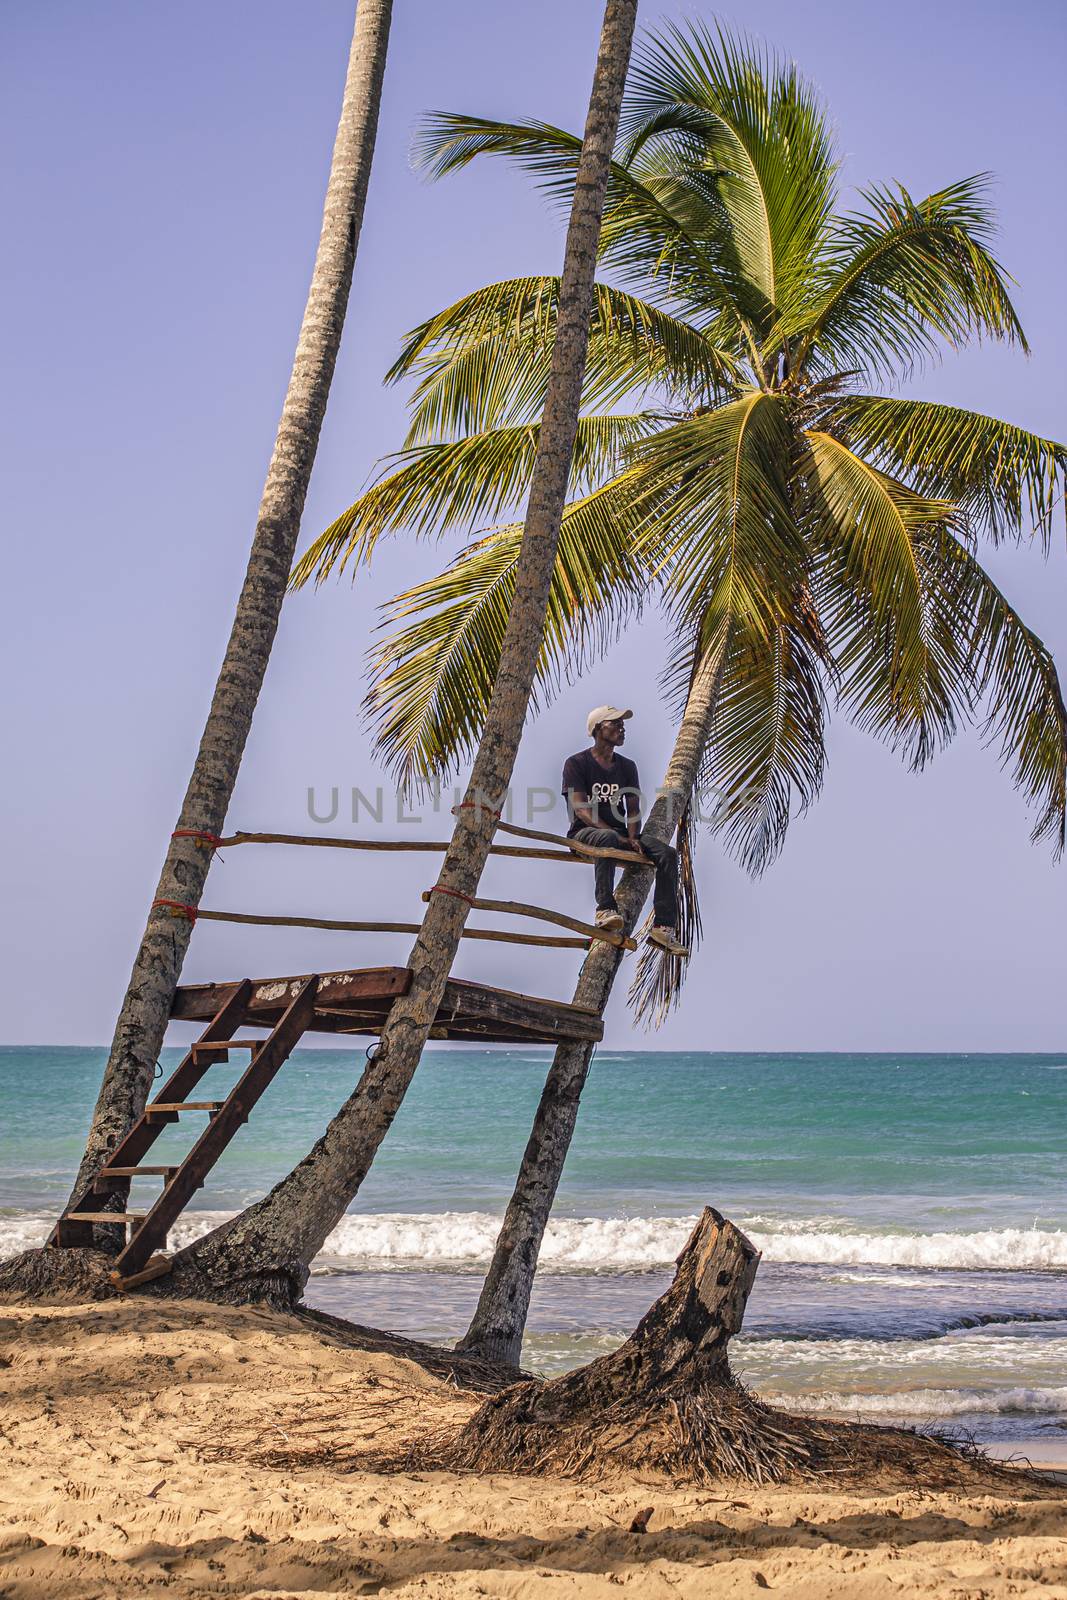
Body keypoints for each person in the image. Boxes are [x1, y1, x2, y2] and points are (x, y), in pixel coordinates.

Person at [561, 705, 688, 956]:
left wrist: (631, 837)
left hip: (621, 835)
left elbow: (632, 808)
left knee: (667, 854)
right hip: (585, 834)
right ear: (598, 729)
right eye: (615, 723)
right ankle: (605, 909)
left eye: (623, 724)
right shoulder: (576, 763)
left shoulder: (627, 766)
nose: (622, 728)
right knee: (607, 837)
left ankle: (663, 927)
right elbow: (581, 810)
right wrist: (618, 836)